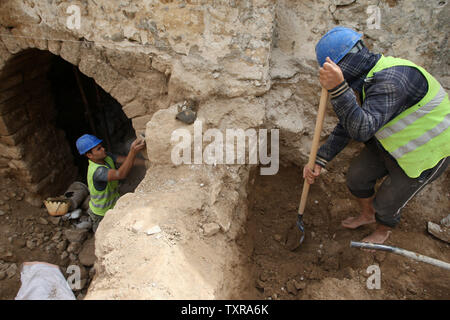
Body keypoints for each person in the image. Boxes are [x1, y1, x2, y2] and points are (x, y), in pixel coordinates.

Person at [304, 26, 449, 244]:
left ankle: (382, 231)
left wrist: (339, 90)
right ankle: (367, 215)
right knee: (357, 178)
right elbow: (349, 123)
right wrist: (321, 158)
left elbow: (362, 129)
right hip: (390, 146)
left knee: (387, 203)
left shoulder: (392, 81)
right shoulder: (368, 78)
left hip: (424, 155)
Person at [76, 134, 146, 232]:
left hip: (112, 205)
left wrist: (146, 163)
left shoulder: (106, 157)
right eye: (98, 149)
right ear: (89, 155)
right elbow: (121, 174)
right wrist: (133, 151)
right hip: (102, 214)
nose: (103, 149)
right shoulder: (98, 172)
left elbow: (125, 160)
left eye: (101, 146)